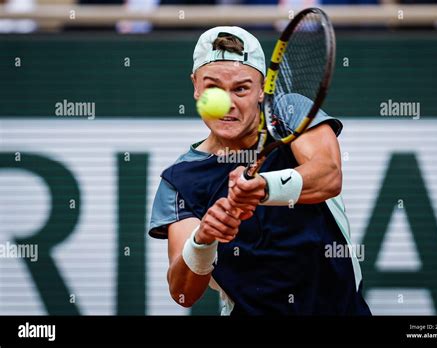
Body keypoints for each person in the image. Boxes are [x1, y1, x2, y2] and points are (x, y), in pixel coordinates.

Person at [149, 26, 371, 315]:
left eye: (241, 88)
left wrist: (264, 187)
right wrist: (203, 239)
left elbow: (328, 175)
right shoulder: (180, 180)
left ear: (263, 88)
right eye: (212, 89)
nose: (226, 104)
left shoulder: (288, 114)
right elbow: (182, 294)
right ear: (195, 86)